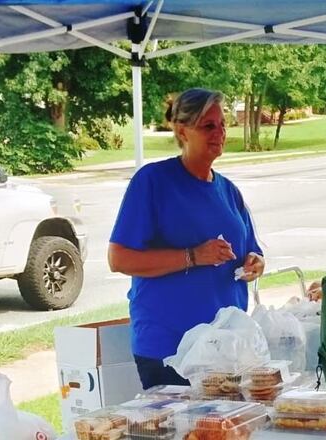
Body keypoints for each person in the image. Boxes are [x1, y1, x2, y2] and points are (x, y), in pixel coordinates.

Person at [108, 88, 265, 389]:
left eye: (222, 125)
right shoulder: (153, 182)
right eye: (208, 126)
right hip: (171, 348)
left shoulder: (228, 190)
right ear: (182, 131)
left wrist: (255, 263)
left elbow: (251, 252)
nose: (219, 133)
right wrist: (193, 256)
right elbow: (119, 259)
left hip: (225, 347)